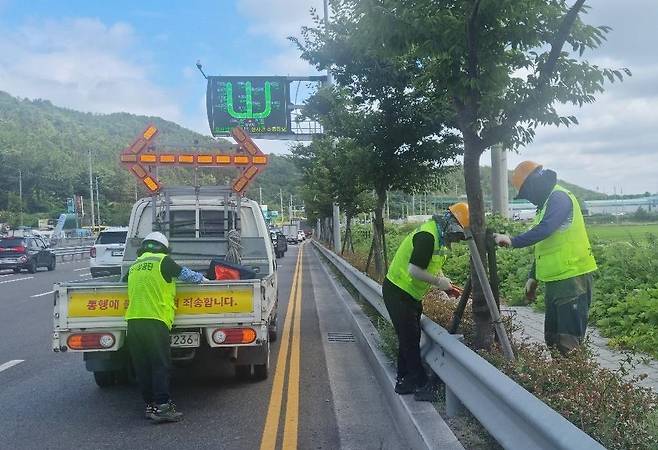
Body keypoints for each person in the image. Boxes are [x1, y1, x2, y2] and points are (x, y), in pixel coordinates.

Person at [493, 161, 597, 355]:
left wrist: (512, 240)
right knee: (552, 339)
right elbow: (545, 246)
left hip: (573, 279)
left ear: (533, 184)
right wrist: (533, 277)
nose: (529, 199)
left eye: (527, 193)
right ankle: (562, 382)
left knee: (568, 343)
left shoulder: (559, 197)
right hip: (556, 281)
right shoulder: (544, 205)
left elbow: (546, 229)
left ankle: (574, 383)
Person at [383, 202, 469, 402]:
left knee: (408, 337)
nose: (457, 238)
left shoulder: (439, 238)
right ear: (452, 223)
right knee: (410, 338)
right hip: (398, 290)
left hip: (410, 294)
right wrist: (439, 282)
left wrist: (446, 286)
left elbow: (432, 267)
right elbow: (414, 270)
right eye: (458, 233)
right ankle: (419, 381)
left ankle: (404, 381)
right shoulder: (427, 236)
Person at [123, 231, 207, 423]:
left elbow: (122, 283)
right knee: (160, 365)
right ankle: (163, 407)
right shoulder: (163, 261)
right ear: (164, 248)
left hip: (134, 322)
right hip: (155, 320)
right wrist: (206, 280)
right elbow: (188, 276)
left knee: (143, 366)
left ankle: (150, 406)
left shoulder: (134, 266)